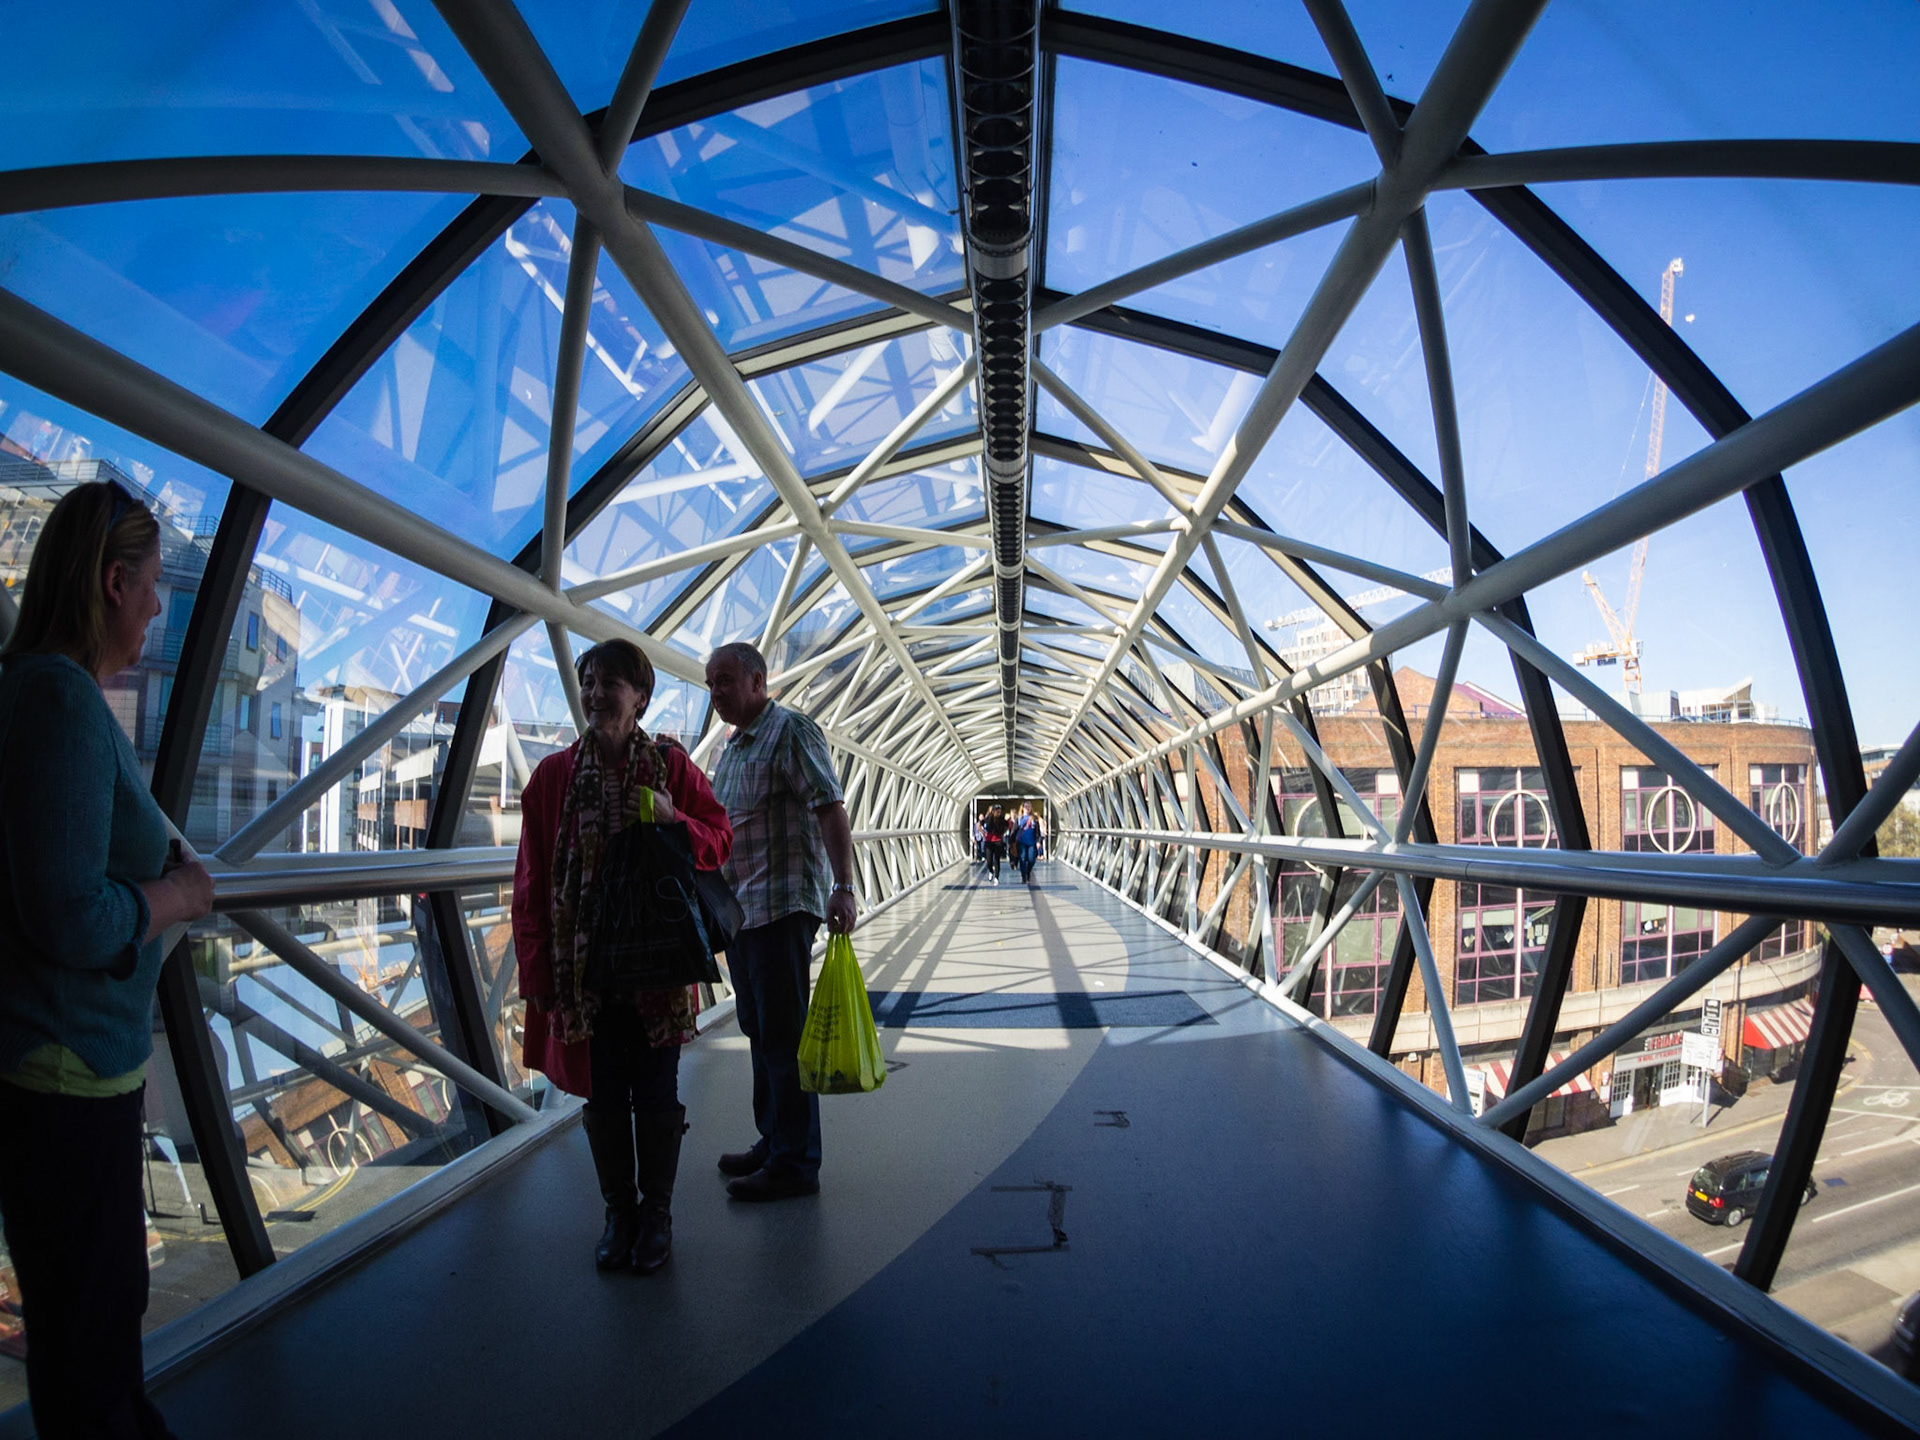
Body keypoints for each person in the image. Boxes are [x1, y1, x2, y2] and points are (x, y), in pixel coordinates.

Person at [0, 479, 216, 1439]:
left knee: (89, 1329)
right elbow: (69, 914)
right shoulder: (57, 699)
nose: (161, 610)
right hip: (66, 1074)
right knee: (88, 1343)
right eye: (154, 587)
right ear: (110, 580)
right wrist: (178, 897)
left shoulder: (48, 695)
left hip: (68, 1073)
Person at [512, 639, 732, 1273]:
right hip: (589, 974)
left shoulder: (670, 768)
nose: (595, 692)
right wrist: (539, 978)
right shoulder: (554, 777)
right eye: (588, 681)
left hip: (657, 970)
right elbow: (530, 886)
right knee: (604, 1097)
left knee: (658, 1093)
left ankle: (655, 1216)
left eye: (610, 681)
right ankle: (620, 1215)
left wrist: (675, 821)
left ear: (640, 696)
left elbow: (720, 840)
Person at [705, 641, 855, 1202]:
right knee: (760, 1032)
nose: (716, 692)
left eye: (725, 680)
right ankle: (774, 1140)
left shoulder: (789, 731)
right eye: (709, 683)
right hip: (742, 914)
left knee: (783, 1038)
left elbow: (829, 806)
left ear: (758, 681)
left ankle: (795, 1162)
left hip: (783, 907)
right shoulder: (735, 747)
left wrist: (843, 886)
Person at [1013, 803, 1042, 885]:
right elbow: (1014, 830)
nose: (1027, 808)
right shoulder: (1019, 819)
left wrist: (1038, 841)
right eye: (1025, 807)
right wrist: (1012, 842)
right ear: (1022, 808)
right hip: (1021, 842)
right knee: (1022, 859)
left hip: (1032, 842)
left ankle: (1028, 872)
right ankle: (1024, 877)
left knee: (1032, 859)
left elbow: (1037, 831)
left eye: (1029, 806)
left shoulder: (1034, 819)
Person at [981, 804, 1010, 885]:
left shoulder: (1002, 820)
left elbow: (1008, 825)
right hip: (989, 841)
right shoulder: (988, 819)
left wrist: (1003, 833)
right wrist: (983, 833)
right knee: (989, 860)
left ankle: (996, 877)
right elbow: (979, 824)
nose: (998, 813)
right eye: (997, 811)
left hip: (998, 841)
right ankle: (990, 871)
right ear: (993, 811)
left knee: (996, 859)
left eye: (1000, 811)